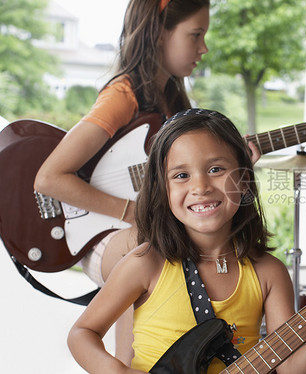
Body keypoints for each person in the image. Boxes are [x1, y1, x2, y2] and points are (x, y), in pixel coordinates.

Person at [66, 109, 306, 373]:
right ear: (162, 189)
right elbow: (82, 334)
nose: (201, 187)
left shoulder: (269, 272)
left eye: (216, 169)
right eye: (181, 175)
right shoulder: (145, 263)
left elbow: (293, 370)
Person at [34, 0, 257, 363]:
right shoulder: (122, 96)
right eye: (196, 35)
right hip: (102, 237)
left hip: (145, 229)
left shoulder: (172, 99)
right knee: (147, 244)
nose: (204, 48)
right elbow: (49, 177)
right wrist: (135, 212)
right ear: (159, 34)